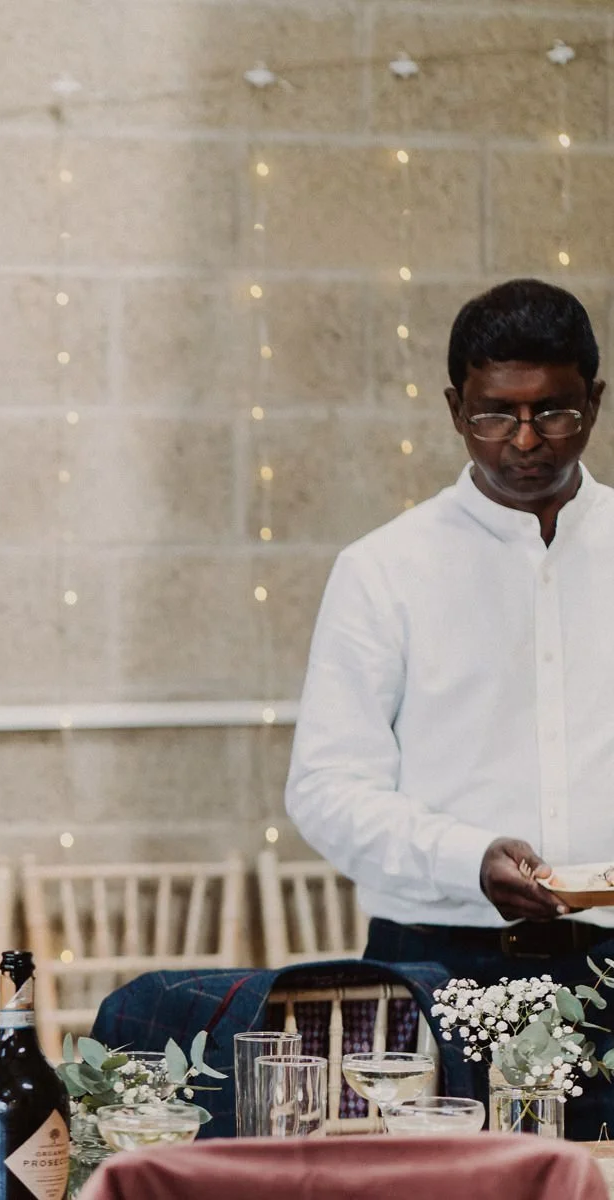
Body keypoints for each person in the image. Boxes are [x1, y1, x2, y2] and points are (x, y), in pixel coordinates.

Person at [286, 278, 613, 1133]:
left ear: (595, 401)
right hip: (441, 964)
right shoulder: (385, 570)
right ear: (454, 409)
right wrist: (469, 858)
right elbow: (325, 788)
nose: (526, 440)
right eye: (495, 415)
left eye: (555, 413)